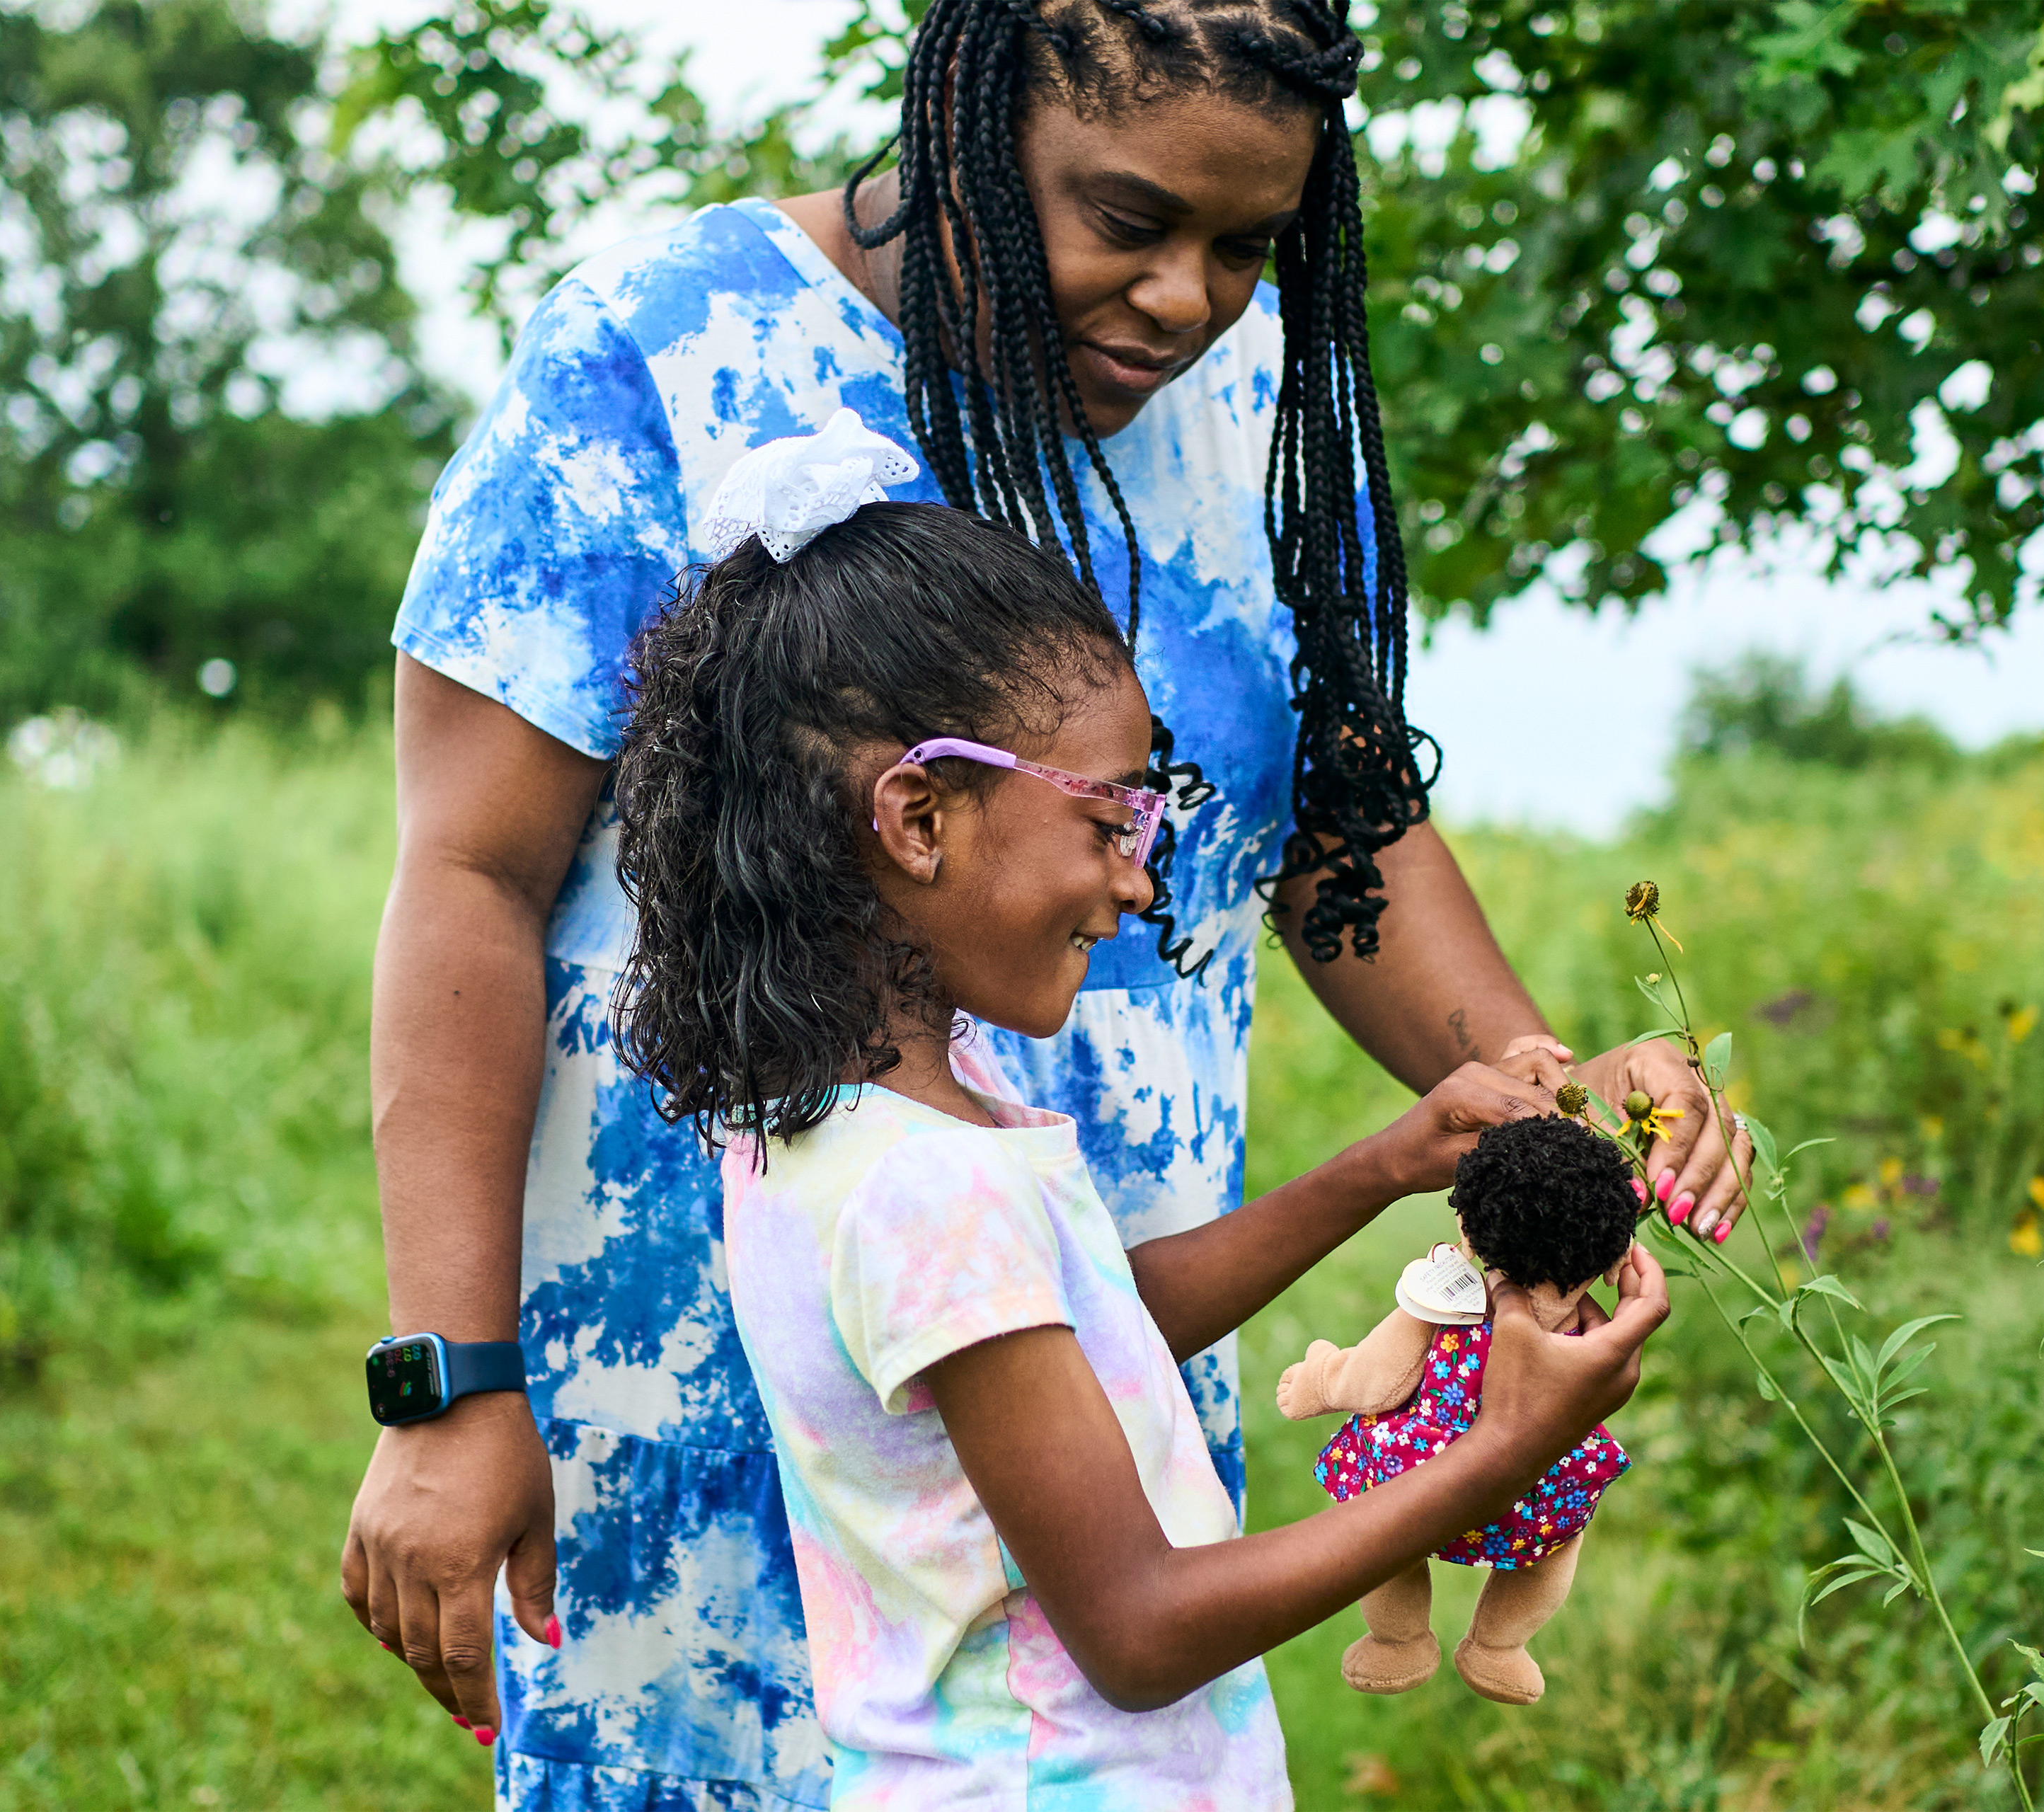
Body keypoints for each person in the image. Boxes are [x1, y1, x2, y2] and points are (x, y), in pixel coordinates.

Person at [341, 1, 1746, 1805]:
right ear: (967, 127)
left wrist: (1548, 1090)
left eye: (1250, 245)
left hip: (1100, 1330)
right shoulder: (666, 353)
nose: (1189, 299)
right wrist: (450, 1381)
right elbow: (471, 871)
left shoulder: (1252, 418)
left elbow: (1336, 833)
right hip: (714, 1372)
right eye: (1130, 219)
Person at [614, 435, 1670, 1808]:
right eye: (1112, 817)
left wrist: (1381, 1168)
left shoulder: (846, 1127)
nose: (1137, 878)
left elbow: (1082, 1326)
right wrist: (1497, 1455)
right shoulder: (930, 1185)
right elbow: (1139, 1627)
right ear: (918, 816)